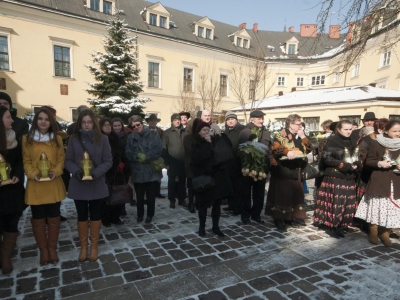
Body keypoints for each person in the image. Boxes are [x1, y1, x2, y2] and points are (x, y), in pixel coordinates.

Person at [65, 110, 112, 262]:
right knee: (82, 215)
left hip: (96, 183)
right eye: (84, 122)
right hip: (79, 184)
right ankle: (84, 246)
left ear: (94, 123)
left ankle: (94, 246)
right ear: (80, 123)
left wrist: (95, 173)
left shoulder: (103, 139)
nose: (86, 125)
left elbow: (107, 160)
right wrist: (77, 172)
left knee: (96, 215)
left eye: (89, 122)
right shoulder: (73, 138)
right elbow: (68, 161)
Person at [22, 107, 66, 265]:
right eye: (40, 118)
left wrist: (56, 171)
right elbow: (26, 161)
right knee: (38, 219)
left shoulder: (57, 139)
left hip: (53, 183)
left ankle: (52, 248)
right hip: (36, 185)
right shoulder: (27, 139)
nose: (43, 122)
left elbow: (61, 159)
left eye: (47, 119)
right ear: (36, 120)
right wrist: (33, 173)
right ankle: (43, 250)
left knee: (54, 218)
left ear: (51, 121)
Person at [355, 120, 400, 247]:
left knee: (391, 209)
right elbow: (369, 161)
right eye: (395, 131)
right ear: (386, 131)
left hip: (396, 181)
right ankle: (373, 230)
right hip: (380, 180)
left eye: (399, 131)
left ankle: (385, 232)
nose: (398, 134)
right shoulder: (377, 143)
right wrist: (379, 163)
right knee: (377, 207)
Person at [313, 120, 361, 238]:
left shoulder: (352, 140)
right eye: (346, 129)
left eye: (350, 129)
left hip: (350, 176)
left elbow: (357, 155)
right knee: (336, 202)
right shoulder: (332, 140)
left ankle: (343, 223)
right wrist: (343, 165)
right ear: (339, 129)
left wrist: (357, 164)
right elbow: (326, 158)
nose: (349, 131)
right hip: (335, 176)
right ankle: (332, 226)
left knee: (348, 202)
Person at [265, 114, 312, 230]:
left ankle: (289, 217)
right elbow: (276, 148)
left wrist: (303, 137)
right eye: (298, 124)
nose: (300, 126)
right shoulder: (281, 134)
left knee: (294, 194)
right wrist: (287, 152)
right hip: (282, 169)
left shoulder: (300, 135)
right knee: (282, 195)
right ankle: (279, 218)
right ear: (290, 124)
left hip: (296, 169)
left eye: (301, 123)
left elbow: (310, 148)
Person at [191, 122, 233, 237]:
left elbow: (227, 149)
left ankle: (216, 226)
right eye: (203, 130)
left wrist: (221, 135)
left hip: (217, 177)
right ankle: (202, 227)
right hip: (204, 178)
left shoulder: (216, 140)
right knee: (203, 205)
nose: (206, 132)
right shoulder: (196, 143)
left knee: (216, 204)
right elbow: (198, 159)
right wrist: (207, 144)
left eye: (207, 130)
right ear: (199, 132)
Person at [0, 106, 25, 274]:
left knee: (11, 223)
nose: (12, 120)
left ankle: (6, 256)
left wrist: (17, 173)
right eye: (8, 117)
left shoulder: (13, 138)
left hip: (12, 190)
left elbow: (19, 161)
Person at [126, 115, 163, 223]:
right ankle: (140, 214)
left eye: (138, 125)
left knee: (151, 195)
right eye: (133, 126)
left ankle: (150, 214)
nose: (136, 127)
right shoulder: (131, 137)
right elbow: (128, 152)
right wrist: (136, 156)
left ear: (142, 124)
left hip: (150, 170)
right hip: (137, 171)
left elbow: (159, 149)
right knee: (140, 196)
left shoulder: (152, 134)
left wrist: (147, 156)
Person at [237, 110, 271, 225]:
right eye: (259, 119)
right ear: (252, 120)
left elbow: (269, 149)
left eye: (262, 118)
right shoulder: (245, 132)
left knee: (259, 193)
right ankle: (245, 215)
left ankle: (256, 214)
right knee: (246, 193)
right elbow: (240, 150)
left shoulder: (266, 132)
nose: (261, 121)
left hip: (262, 168)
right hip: (248, 168)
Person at [100, 118, 124, 226]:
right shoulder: (99, 139)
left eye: (109, 125)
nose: (108, 127)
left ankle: (116, 217)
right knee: (106, 197)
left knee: (117, 195)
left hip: (117, 172)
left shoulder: (115, 137)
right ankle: (106, 218)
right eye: (105, 125)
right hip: (105, 172)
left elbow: (122, 152)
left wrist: (122, 163)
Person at [162, 113, 187, 208]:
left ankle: (182, 199)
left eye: (179, 119)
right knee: (172, 182)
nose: (177, 121)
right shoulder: (167, 133)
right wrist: (166, 163)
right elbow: (163, 148)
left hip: (183, 162)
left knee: (182, 182)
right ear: (172, 121)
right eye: (175, 120)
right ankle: (172, 200)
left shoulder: (185, 132)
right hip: (172, 162)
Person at [223, 111, 245, 215]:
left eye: (232, 119)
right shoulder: (226, 131)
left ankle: (238, 207)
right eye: (228, 119)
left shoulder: (242, 130)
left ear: (236, 120)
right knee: (229, 186)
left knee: (238, 187)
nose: (230, 121)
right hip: (228, 163)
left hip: (238, 163)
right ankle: (231, 205)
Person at [183, 118, 201, 213]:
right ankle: (190, 203)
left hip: (200, 165)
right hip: (191, 165)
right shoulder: (187, 138)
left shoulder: (202, 137)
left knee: (199, 185)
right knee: (191, 186)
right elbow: (191, 151)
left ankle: (197, 202)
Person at [144, 114, 165, 199]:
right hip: (148, 156)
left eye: (154, 120)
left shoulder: (161, 131)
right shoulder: (145, 131)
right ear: (148, 122)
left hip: (159, 156)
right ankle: (150, 192)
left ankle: (157, 192)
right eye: (151, 120)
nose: (153, 122)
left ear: (157, 122)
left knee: (159, 175)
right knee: (149, 175)